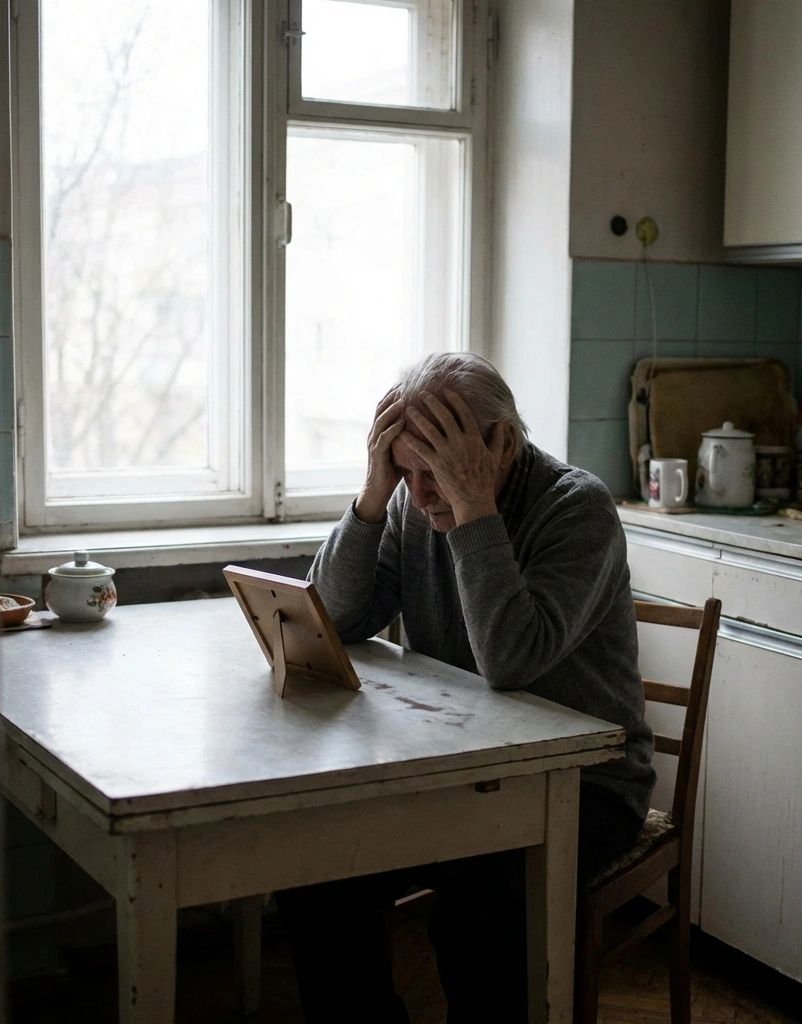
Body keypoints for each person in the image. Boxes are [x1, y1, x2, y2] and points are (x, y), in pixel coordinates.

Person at [276, 352, 655, 1024]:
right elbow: (338, 619)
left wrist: (473, 505)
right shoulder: (410, 502)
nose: (419, 496)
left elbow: (511, 658)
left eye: (437, 472)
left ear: (502, 442)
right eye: (406, 473)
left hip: (586, 781)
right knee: (317, 874)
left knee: (481, 904)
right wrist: (371, 495)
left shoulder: (577, 509)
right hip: (461, 766)